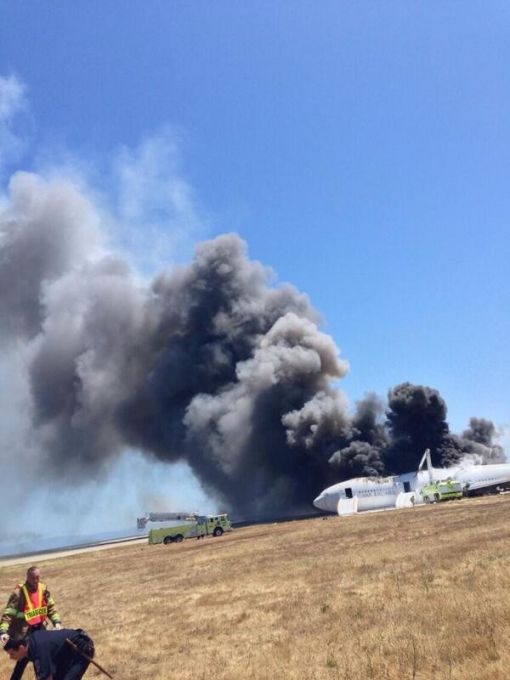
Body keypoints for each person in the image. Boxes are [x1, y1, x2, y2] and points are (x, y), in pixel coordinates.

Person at [0, 566, 63, 680]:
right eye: (32, 578)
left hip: (40, 629)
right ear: (27, 577)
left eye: (37, 577)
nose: (35, 580)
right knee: (23, 660)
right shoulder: (18, 592)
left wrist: (56, 622)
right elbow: (8, 613)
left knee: (41, 657)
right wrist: (3, 631)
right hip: (26, 632)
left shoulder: (43, 589)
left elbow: (51, 608)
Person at [4, 628, 94, 680]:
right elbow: (17, 672)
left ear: (21, 648)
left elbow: (46, 677)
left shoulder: (39, 650)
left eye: (12, 654)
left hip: (80, 650)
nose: (11, 657)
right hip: (65, 653)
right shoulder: (28, 646)